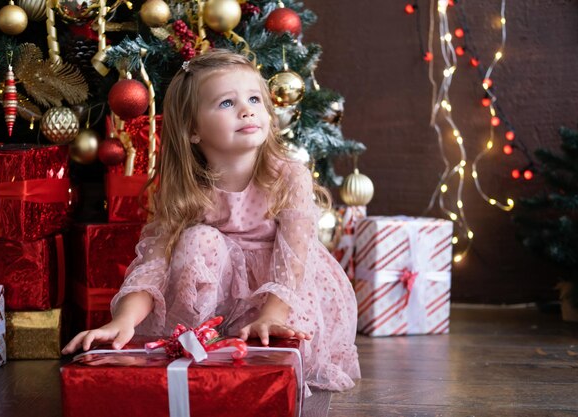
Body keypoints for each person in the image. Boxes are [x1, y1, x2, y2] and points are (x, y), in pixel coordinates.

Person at [62, 49, 360, 392]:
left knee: (276, 337)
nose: (247, 109)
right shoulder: (186, 189)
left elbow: (294, 258)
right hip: (218, 299)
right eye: (226, 103)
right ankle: (200, 344)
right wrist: (123, 320)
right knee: (197, 238)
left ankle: (262, 345)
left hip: (283, 294)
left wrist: (274, 314)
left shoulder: (288, 176)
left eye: (253, 99)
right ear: (193, 129)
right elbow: (154, 265)